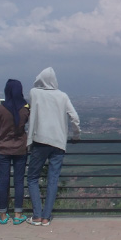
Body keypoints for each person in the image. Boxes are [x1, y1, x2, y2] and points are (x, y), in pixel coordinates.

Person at [26, 67, 81, 226]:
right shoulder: (63, 96)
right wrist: (75, 136)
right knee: (53, 179)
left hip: (40, 141)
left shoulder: (34, 93)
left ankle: (36, 215)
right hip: (58, 143)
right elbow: (75, 118)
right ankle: (46, 217)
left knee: (32, 178)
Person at [0, 79, 30, 225]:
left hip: (2, 149)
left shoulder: (0, 109)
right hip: (20, 148)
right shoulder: (25, 109)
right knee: (19, 182)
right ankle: (18, 214)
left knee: (3, 181)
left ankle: (3, 215)